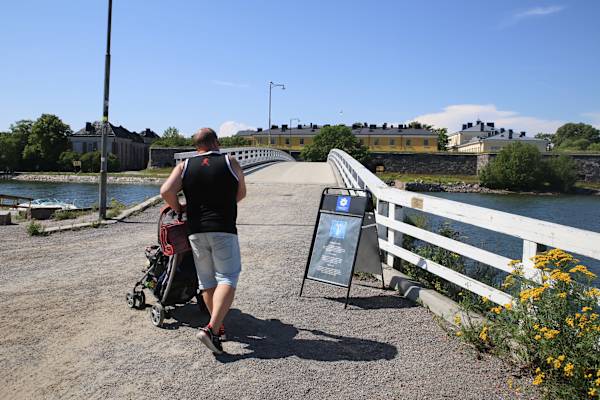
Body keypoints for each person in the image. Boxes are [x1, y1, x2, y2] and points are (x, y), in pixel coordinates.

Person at [160, 127, 246, 354]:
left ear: (197, 146)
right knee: (227, 276)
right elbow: (241, 193)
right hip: (223, 228)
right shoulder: (230, 162)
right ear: (216, 142)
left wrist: (179, 207)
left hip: (195, 230)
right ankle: (210, 329)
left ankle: (219, 329)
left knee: (207, 280)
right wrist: (225, 202)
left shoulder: (185, 165)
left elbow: (166, 191)